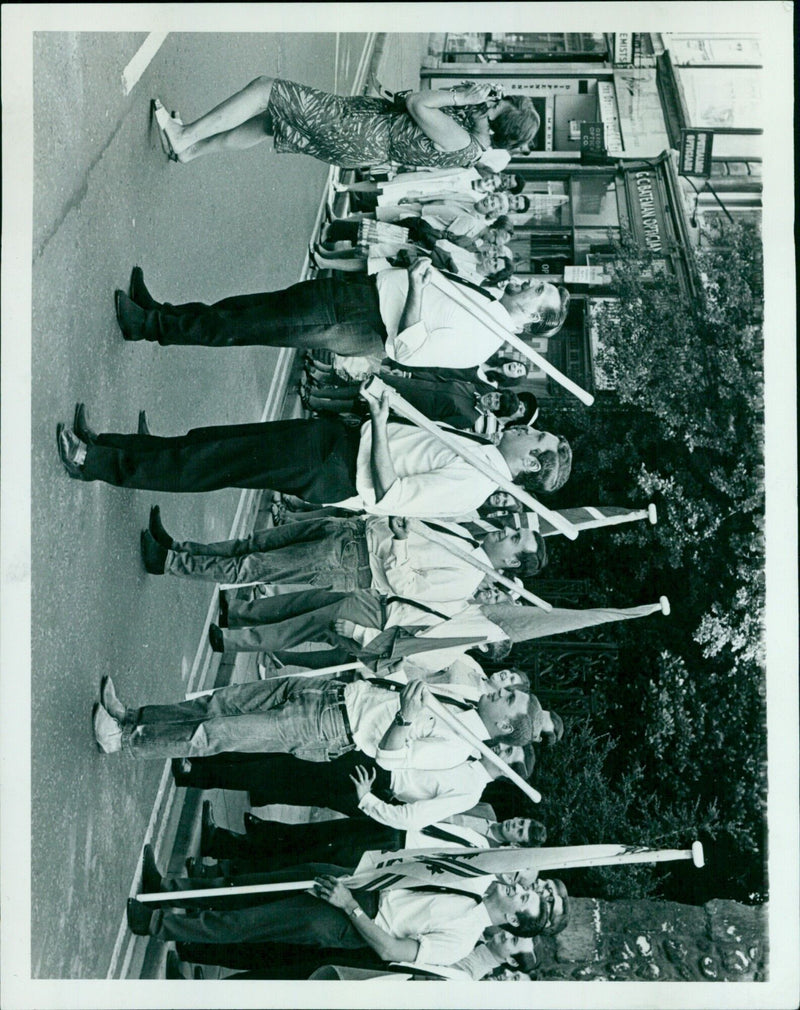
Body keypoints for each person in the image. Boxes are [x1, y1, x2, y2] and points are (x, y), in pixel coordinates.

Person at [57, 387, 573, 511]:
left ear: (530, 462)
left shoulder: (477, 485)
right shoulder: (483, 451)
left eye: (535, 437)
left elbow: (392, 493)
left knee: (209, 463)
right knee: (212, 442)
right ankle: (106, 443)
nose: (528, 429)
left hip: (336, 470)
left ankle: (94, 464)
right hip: (339, 441)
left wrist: (378, 416)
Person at [126, 850, 546, 970]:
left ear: (512, 919)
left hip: (350, 918)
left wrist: (349, 909)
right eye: (525, 889)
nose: (517, 887)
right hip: (361, 881)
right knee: (251, 888)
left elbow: (393, 952)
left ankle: (157, 923)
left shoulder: (460, 941)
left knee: (249, 922)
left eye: (522, 898)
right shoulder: (473, 883)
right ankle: (166, 890)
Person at [113, 255, 569, 365]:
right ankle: (162, 314)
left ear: (532, 321)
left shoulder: (485, 341)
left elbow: (407, 350)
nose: (528, 280)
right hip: (360, 295)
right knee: (254, 306)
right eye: (538, 279)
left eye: (537, 290)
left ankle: (149, 327)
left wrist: (413, 283)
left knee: (247, 323)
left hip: (360, 323)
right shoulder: (488, 301)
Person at [91, 671, 542, 766]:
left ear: (504, 726)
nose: (500, 691)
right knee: (216, 706)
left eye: (508, 699)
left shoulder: (459, 747)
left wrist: (404, 720)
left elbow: (389, 760)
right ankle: (130, 717)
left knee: (216, 734)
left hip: (330, 728)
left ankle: (123, 742)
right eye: (508, 689)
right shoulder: (467, 695)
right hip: (333, 692)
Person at [141, 506, 546, 599]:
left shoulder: (466, 578)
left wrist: (401, 542)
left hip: (352, 563)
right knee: (255, 543)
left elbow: (406, 586)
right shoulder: (467, 535)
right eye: (515, 529)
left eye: (514, 539)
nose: (508, 529)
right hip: (352, 531)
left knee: (255, 565)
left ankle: (170, 564)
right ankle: (178, 547)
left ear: (511, 563)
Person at [152, 79, 540, 168]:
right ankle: (192, 150)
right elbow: (415, 102)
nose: (492, 102)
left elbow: (420, 104)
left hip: (360, 131)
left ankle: (184, 134)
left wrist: (462, 97)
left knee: (268, 90)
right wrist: (469, 93)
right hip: (363, 135)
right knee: (275, 123)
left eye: (498, 104)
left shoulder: (465, 145)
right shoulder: (473, 136)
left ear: (497, 120)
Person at [192, 799, 546, 877]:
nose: (515, 827)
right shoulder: (479, 840)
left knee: (302, 859)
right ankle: (224, 841)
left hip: (389, 852)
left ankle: (224, 865)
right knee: (312, 838)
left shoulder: (478, 868)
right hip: (392, 830)